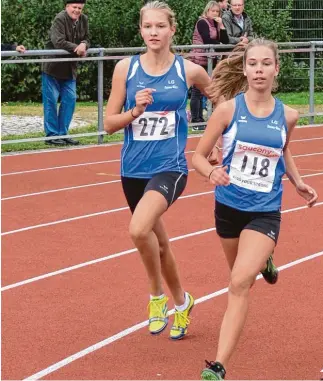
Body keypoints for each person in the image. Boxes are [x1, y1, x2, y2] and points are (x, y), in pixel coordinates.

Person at [192, 38, 318, 379]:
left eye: (266, 63)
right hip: (229, 207)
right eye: (253, 64)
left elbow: (283, 150)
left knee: (238, 282)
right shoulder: (227, 110)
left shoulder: (288, 115)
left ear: (276, 69)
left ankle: (218, 367)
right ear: (245, 69)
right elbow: (198, 157)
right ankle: (265, 260)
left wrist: (297, 182)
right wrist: (211, 171)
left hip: (265, 211)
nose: (259, 69)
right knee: (240, 276)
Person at [104, 1, 211, 340]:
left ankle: (156, 297)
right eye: (148, 26)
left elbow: (220, 99)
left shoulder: (188, 71)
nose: (154, 32)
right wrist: (134, 111)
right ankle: (183, 303)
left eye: (160, 26)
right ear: (141, 30)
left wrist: (215, 142)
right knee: (159, 245)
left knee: (138, 230)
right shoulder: (126, 69)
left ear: (172, 30)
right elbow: (108, 123)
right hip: (133, 169)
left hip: (170, 167)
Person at [42, 0, 89, 146]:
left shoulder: (84, 19)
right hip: (53, 67)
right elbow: (58, 41)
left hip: (70, 69)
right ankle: (51, 135)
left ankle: (63, 133)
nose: (77, 10)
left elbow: (87, 38)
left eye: (79, 8)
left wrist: (84, 44)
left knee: (70, 99)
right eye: (74, 7)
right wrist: (77, 48)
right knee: (51, 101)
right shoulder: (60, 19)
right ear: (67, 7)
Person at [190, 1, 229, 130]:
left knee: (212, 89)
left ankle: (211, 117)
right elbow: (207, 40)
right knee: (197, 91)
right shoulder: (202, 22)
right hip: (200, 59)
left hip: (211, 60)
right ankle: (196, 120)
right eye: (212, 11)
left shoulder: (216, 24)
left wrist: (222, 25)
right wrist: (220, 45)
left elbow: (225, 41)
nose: (215, 13)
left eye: (217, 11)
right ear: (207, 11)